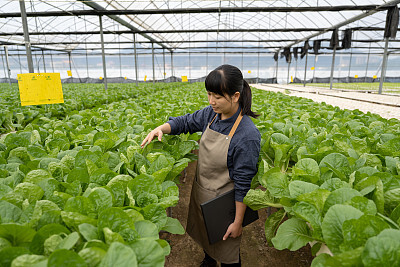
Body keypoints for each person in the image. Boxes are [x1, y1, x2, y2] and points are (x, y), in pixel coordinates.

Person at [141, 64, 261, 267]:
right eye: (209, 94)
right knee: (207, 237)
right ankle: (208, 259)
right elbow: (185, 122)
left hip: (226, 204)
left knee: (228, 249)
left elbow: (243, 184)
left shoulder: (247, 135)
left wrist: (238, 221)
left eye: (218, 96)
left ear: (236, 96)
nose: (212, 101)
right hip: (203, 191)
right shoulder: (211, 115)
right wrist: (160, 128)